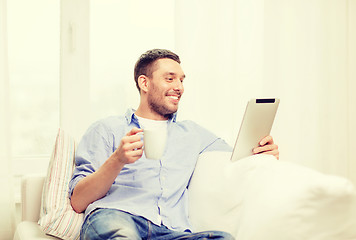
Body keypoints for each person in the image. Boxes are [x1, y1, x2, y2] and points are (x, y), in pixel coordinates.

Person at [69, 49, 279, 240]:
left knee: (223, 238)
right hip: (117, 217)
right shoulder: (107, 129)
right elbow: (78, 201)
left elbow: (239, 156)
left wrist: (262, 151)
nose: (179, 87)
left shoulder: (193, 133)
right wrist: (117, 160)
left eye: (181, 80)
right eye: (170, 79)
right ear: (144, 83)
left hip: (171, 232)